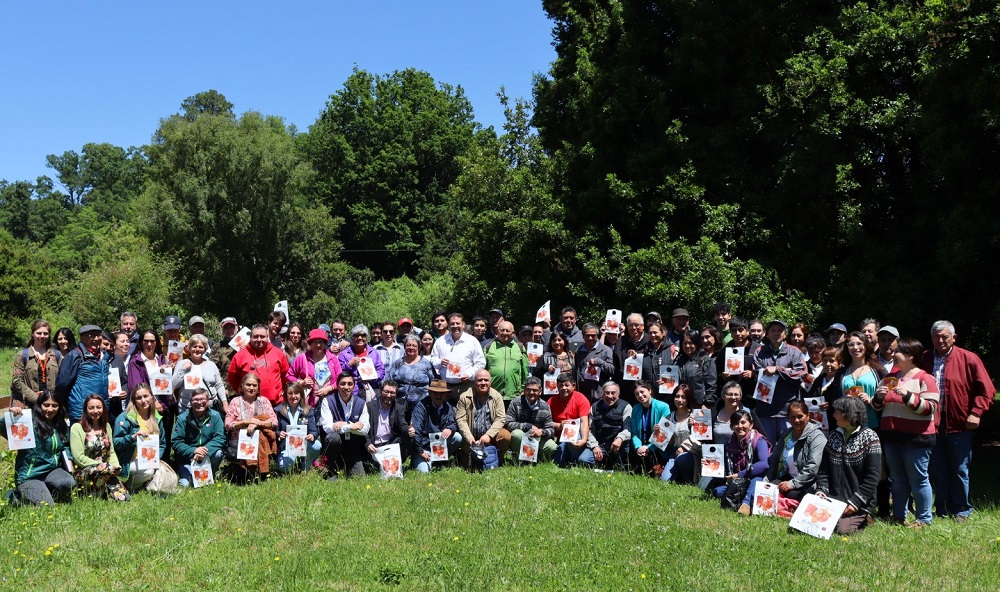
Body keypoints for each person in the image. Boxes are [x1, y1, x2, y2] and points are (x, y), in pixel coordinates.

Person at [920, 320, 994, 522]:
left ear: (954, 337)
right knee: (937, 469)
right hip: (932, 425)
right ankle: (942, 509)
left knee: (960, 469)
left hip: (959, 424)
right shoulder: (924, 359)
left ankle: (962, 509)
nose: (941, 340)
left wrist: (976, 412)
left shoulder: (968, 358)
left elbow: (986, 390)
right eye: (936, 336)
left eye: (945, 336)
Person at [873, 337, 939, 527]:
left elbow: (930, 408)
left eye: (898, 351)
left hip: (917, 439)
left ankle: (924, 519)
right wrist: (878, 397)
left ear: (910, 355)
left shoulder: (925, 378)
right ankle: (899, 516)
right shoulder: (890, 378)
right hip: (892, 437)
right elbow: (877, 407)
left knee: (918, 478)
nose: (893, 354)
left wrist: (908, 395)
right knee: (898, 479)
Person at [744, 400, 827, 515]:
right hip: (787, 478)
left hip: (807, 483)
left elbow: (812, 468)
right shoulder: (787, 433)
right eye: (793, 417)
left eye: (800, 416)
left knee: (786, 493)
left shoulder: (817, 436)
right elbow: (774, 459)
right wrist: (766, 481)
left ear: (808, 417)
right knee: (764, 490)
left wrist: (792, 484)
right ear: (788, 418)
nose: (796, 420)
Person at [815, 396, 882, 534]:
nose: (833, 415)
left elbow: (873, 476)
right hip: (833, 498)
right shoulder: (834, 436)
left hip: (858, 501)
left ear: (848, 415)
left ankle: (865, 516)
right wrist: (821, 490)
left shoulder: (870, 437)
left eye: (837, 412)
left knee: (841, 530)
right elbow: (824, 469)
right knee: (816, 523)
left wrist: (856, 502)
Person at [1, 393, 75, 506]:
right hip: (30, 475)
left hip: (51, 471)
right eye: (46, 405)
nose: (50, 409)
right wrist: (12, 416)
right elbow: (2, 428)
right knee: (47, 506)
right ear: (39, 405)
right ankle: (16, 495)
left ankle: (44, 491)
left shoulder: (60, 424)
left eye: (54, 405)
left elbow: (65, 445)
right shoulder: (27, 420)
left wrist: (68, 458)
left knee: (68, 483)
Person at [751, 320, 806, 444]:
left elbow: (801, 374)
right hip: (765, 410)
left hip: (787, 409)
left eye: (779, 330)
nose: (776, 333)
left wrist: (778, 370)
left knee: (789, 446)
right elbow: (757, 372)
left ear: (785, 334)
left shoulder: (794, 352)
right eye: (773, 330)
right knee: (766, 446)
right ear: (767, 334)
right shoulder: (759, 352)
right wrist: (787, 371)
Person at [112, 383, 173, 493]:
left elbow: (162, 443)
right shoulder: (125, 418)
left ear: (151, 396)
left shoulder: (157, 418)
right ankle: (129, 486)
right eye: (139, 398)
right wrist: (132, 437)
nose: (143, 400)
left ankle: (143, 483)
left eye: (146, 396)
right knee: (149, 472)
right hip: (129, 459)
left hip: (150, 459)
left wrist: (156, 458)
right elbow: (115, 443)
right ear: (134, 400)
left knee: (162, 473)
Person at [70, 394, 129, 501]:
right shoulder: (77, 428)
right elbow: (79, 457)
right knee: (105, 469)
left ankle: (103, 490)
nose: (95, 411)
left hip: (107, 470)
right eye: (91, 408)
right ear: (85, 409)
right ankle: (90, 492)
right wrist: (101, 465)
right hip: (86, 471)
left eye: (98, 407)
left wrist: (116, 466)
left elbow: (111, 452)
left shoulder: (106, 426)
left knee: (124, 498)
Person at [712, 409, 770, 511]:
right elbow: (725, 470)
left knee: (755, 480)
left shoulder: (759, 440)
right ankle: (746, 495)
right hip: (738, 481)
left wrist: (739, 475)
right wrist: (711, 466)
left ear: (751, 425)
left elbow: (764, 464)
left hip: (757, 477)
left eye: (743, 422)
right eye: (735, 423)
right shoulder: (730, 443)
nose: (739, 426)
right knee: (717, 491)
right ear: (731, 427)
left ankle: (746, 504)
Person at [225, 373, 279, 481]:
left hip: (261, 441)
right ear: (242, 386)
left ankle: (262, 472)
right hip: (241, 441)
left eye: (254, 385)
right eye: (248, 385)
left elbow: (274, 421)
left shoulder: (264, 401)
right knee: (241, 477)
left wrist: (257, 423)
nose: (251, 388)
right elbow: (228, 424)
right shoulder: (235, 402)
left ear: (258, 388)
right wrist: (247, 422)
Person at [454, 370, 511, 470]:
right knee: (468, 467)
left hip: (490, 435)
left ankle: (498, 458)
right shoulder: (464, 397)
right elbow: (460, 420)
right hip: (471, 436)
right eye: (480, 380)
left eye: (486, 380)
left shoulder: (497, 396)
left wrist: (489, 435)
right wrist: (469, 438)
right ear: (474, 382)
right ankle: (463, 454)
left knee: (505, 436)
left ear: (490, 382)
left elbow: (500, 418)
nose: (483, 383)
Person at [319, 372, 370, 479]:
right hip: (335, 446)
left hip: (353, 446)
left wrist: (343, 425)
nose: (346, 387)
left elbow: (365, 429)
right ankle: (331, 466)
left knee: (359, 479)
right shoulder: (327, 401)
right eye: (343, 384)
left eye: (349, 384)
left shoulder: (361, 403)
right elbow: (327, 427)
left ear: (354, 386)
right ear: (337, 385)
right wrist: (351, 426)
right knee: (333, 437)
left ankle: (347, 466)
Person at [172, 388, 226, 487]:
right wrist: (194, 451)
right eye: (195, 400)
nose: (199, 402)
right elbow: (176, 442)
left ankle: (211, 472)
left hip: (208, 456)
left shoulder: (215, 416)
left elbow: (220, 437)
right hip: (188, 458)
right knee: (186, 484)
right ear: (190, 402)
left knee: (218, 453)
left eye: (202, 399)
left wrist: (204, 451)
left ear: (208, 401)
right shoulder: (182, 419)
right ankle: (188, 473)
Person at [55, 324, 110, 421]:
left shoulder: (104, 355)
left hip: (101, 410)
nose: (96, 338)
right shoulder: (75, 355)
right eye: (91, 335)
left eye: (98, 335)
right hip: (81, 411)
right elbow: (62, 384)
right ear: (82, 338)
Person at [227, 324, 289, 408]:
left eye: (262, 336)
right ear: (250, 338)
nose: (259, 339)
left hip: (276, 404)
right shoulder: (240, 356)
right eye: (255, 336)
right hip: (250, 405)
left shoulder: (278, 353)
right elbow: (232, 378)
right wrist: (244, 392)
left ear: (267, 337)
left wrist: (277, 392)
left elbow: (286, 376)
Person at [431, 313, 486, 404]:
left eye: (458, 323)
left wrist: (470, 375)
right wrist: (440, 362)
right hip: (445, 387)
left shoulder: (472, 341)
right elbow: (433, 358)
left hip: (465, 387)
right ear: (448, 325)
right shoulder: (440, 341)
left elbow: (481, 363)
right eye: (452, 324)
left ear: (463, 325)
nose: (455, 326)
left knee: (465, 415)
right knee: (445, 416)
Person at [410, 379, 462, 472]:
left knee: (457, 437)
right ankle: (421, 459)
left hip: (439, 446)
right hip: (424, 447)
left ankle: (440, 461)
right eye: (435, 393)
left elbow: (453, 423)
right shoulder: (421, 407)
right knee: (424, 472)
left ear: (445, 394)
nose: (439, 396)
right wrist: (420, 451)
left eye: (442, 393)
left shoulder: (447, 406)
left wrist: (450, 429)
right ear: (430, 393)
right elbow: (416, 430)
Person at [287, 328, 344, 409]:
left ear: (325, 343)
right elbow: (289, 376)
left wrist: (330, 388)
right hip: (309, 403)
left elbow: (340, 378)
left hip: (330, 401)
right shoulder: (302, 358)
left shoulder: (333, 358)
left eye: (321, 342)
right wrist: (301, 382)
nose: (318, 345)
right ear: (310, 343)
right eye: (315, 342)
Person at [580, 381, 631, 470]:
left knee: (622, 467)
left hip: (618, 444)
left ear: (618, 394)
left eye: (613, 393)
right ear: (602, 394)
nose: (610, 396)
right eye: (607, 393)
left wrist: (620, 438)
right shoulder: (595, 407)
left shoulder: (626, 407)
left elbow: (629, 428)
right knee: (583, 460)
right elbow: (589, 430)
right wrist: (594, 445)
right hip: (600, 444)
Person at [387, 333, 437, 421]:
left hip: (421, 405)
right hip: (400, 405)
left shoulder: (426, 364)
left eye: (414, 345)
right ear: (404, 347)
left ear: (418, 347)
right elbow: (389, 382)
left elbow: (434, 383)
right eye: (408, 345)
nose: (411, 347)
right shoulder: (397, 363)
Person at [505, 377, 557, 462]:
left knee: (552, 447)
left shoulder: (545, 406)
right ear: (524, 390)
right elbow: (507, 423)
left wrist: (542, 432)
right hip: (521, 436)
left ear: (540, 392)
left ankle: (535, 458)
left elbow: (551, 430)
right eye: (528, 390)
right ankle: (518, 458)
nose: (531, 393)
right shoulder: (515, 402)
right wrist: (528, 426)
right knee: (516, 434)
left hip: (537, 438)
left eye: (535, 390)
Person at [172, 334, 226, 414]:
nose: (197, 349)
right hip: (187, 410)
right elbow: (174, 384)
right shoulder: (181, 364)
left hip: (210, 409)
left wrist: (225, 403)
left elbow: (219, 385)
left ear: (205, 349)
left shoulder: (211, 365)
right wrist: (183, 369)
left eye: (201, 347)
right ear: (189, 348)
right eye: (194, 346)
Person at [12, 319, 62, 406]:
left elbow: (63, 379)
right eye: (38, 333)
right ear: (32, 334)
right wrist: (36, 398)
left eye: (45, 333)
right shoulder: (23, 355)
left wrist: (52, 398)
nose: (42, 336)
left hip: (52, 405)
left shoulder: (56, 355)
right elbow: (16, 381)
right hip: (30, 404)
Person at [275, 382, 321, 473]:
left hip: (303, 445)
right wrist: (278, 433)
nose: (293, 396)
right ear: (285, 395)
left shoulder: (308, 410)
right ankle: (293, 465)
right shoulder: (278, 411)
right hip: (286, 447)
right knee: (284, 467)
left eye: (296, 393)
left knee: (317, 445)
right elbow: (274, 430)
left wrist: (312, 435)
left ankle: (305, 467)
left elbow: (314, 430)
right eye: (290, 393)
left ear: (301, 395)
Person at [365, 380, 410, 471]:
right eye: (386, 392)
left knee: (407, 436)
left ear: (396, 394)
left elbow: (402, 424)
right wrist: (368, 443)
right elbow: (362, 429)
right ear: (381, 391)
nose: (389, 395)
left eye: (392, 393)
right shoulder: (369, 406)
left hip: (390, 444)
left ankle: (398, 462)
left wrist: (409, 429)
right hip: (373, 445)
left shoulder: (399, 408)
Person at [548, 373, 592, 467]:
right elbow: (546, 423)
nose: (564, 388)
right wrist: (559, 426)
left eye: (567, 385)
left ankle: (575, 461)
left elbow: (584, 422)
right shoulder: (551, 401)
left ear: (574, 385)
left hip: (577, 436)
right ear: (557, 387)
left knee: (573, 438)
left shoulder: (581, 399)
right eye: (561, 385)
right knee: (558, 463)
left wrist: (584, 440)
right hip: (558, 438)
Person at [629, 381, 671, 476]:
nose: (640, 395)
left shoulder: (663, 407)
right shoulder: (635, 409)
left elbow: (665, 433)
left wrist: (648, 448)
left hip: (657, 449)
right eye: (637, 394)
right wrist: (638, 447)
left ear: (650, 391)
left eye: (642, 392)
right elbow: (634, 432)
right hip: (641, 448)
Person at [717, 317, 758, 408]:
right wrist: (723, 376)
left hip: (752, 397)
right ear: (731, 333)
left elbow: (764, 370)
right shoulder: (725, 350)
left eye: (741, 330)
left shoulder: (757, 349)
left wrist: (753, 374)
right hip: (731, 399)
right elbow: (717, 371)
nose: (737, 334)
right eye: (734, 331)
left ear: (747, 331)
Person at [484, 321, 529, 403]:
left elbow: (525, 371)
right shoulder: (489, 347)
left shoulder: (520, 348)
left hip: (514, 395)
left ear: (513, 333)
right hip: (493, 394)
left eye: (507, 331)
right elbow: (483, 369)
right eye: (502, 330)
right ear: (497, 331)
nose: (504, 333)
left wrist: (524, 389)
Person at [660, 384, 697, 483]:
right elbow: (669, 443)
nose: (679, 400)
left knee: (682, 459)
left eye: (683, 397)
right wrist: (660, 433)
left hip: (692, 453)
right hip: (675, 452)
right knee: (664, 480)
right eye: (677, 396)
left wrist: (693, 426)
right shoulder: (669, 417)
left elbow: (701, 438)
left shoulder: (695, 415)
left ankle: (688, 480)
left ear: (688, 398)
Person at [337, 324, 386, 400]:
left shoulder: (373, 352)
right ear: (352, 338)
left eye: (363, 335)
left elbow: (381, 371)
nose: (360, 338)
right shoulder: (344, 354)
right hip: (352, 391)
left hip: (372, 389)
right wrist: (349, 364)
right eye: (356, 335)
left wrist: (371, 377)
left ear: (366, 337)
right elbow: (338, 372)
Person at [675, 330, 718, 408]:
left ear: (696, 343)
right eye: (685, 343)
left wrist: (706, 403)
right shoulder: (678, 361)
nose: (687, 346)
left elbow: (711, 385)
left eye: (690, 343)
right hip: (681, 405)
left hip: (700, 405)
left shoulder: (705, 360)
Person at [574, 323, 614, 401]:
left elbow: (611, 370)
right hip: (583, 395)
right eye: (587, 335)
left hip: (600, 395)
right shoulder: (579, 351)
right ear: (583, 336)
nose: (590, 338)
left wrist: (598, 362)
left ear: (597, 336)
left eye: (593, 335)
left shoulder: (606, 350)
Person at [613, 313, 648, 389]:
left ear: (643, 326)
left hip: (645, 388)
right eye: (630, 325)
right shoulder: (620, 342)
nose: (634, 328)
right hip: (625, 388)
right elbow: (616, 366)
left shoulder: (650, 341)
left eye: (636, 325)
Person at [127, 329, 167, 394]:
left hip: (162, 402)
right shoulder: (135, 361)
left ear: (156, 342)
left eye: (152, 341)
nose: (149, 344)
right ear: (141, 342)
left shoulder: (161, 359)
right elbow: (135, 387)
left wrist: (168, 370)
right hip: (145, 401)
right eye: (146, 341)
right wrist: (153, 401)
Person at [210, 317, 240, 399]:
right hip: (227, 391)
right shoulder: (217, 346)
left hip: (246, 389)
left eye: (232, 327)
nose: (229, 330)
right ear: (222, 330)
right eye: (226, 328)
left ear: (237, 328)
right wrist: (222, 387)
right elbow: (213, 368)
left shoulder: (248, 343)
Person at [637, 320, 671, 387]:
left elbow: (677, 371)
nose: (653, 335)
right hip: (649, 393)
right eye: (650, 333)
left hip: (667, 392)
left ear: (663, 333)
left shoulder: (672, 350)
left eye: (655, 332)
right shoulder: (644, 351)